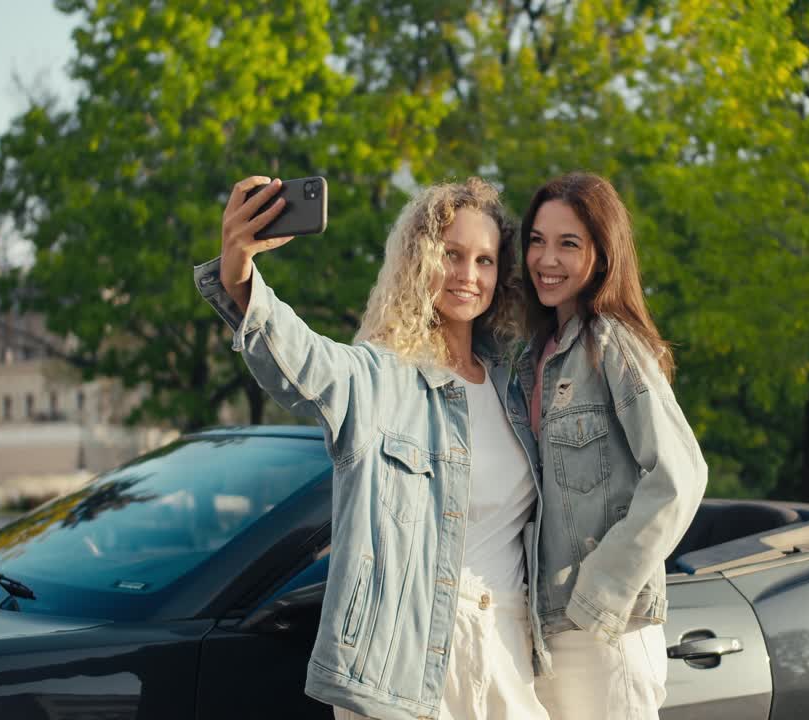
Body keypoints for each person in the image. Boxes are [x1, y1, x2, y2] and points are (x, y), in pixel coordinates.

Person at [194, 176, 550, 720]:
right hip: (406, 665)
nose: (468, 275)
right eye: (451, 254)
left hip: (506, 648)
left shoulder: (515, 387)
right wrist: (239, 276)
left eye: (485, 260)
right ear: (419, 261)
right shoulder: (380, 377)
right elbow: (304, 362)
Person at [517, 172, 708, 719]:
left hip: (606, 632)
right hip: (550, 630)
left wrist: (600, 590)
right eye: (537, 241)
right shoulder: (535, 356)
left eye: (568, 244)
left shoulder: (612, 343)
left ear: (602, 256)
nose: (547, 259)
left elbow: (680, 475)